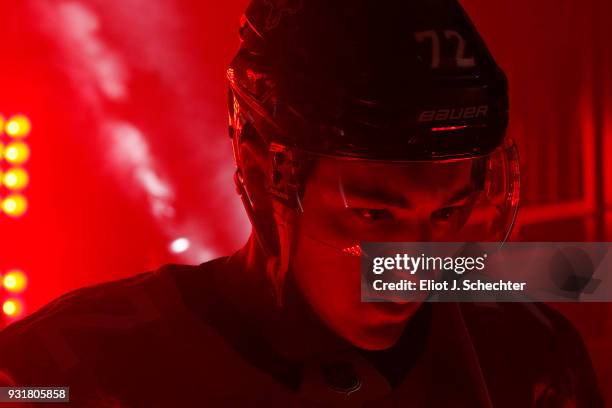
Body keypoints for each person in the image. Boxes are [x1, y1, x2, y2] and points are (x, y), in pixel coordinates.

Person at [0, 0, 603, 406]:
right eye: (375, 214)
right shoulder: (65, 372)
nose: (416, 270)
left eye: (448, 213)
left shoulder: (529, 358)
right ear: (266, 175)